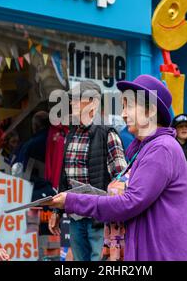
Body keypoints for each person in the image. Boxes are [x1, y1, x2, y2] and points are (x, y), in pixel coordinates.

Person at [45, 75, 187, 261]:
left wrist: (71, 201)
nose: (123, 114)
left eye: (128, 105)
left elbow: (130, 202)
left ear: (150, 110)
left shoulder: (161, 149)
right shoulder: (144, 148)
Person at [48, 80, 127, 261]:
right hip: (76, 218)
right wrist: (57, 212)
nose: (71, 103)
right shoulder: (71, 134)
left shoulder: (108, 134)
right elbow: (64, 177)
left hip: (99, 220)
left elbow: (121, 180)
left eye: (77, 99)